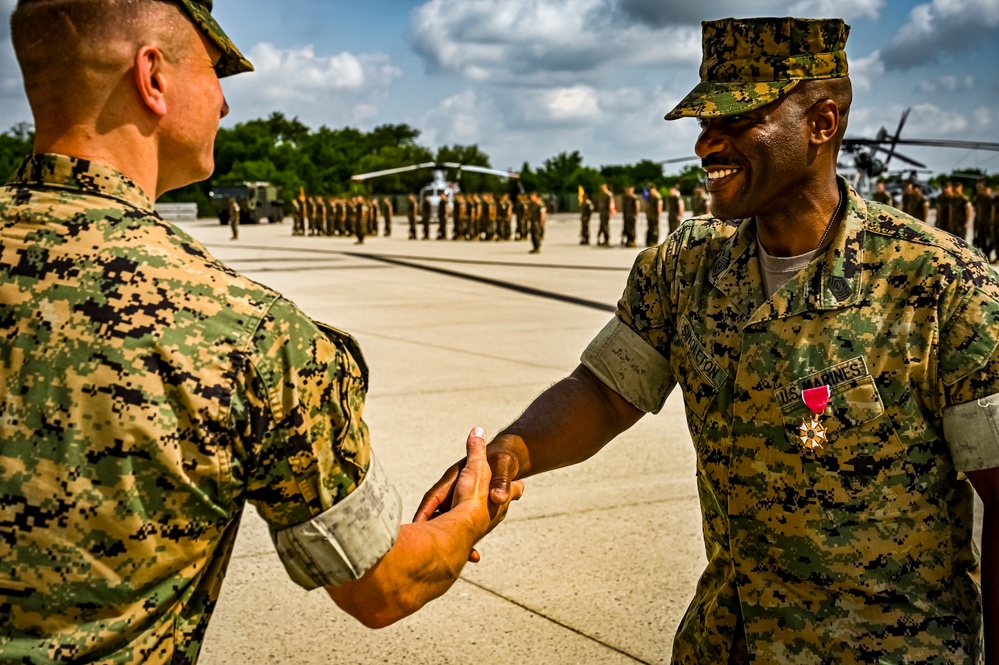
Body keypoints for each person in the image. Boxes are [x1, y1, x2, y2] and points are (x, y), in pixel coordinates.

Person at [418, 16, 998, 664]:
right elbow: (607, 392)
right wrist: (502, 458)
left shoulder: (939, 286)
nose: (704, 145)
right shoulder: (688, 267)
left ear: (822, 124)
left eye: (736, 119)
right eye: (701, 123)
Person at [0, 1, 521, 662]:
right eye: (216, 71)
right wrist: (471, 510)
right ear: (152, 76)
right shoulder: (249, 333)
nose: (223, 105)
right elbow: (384, 585)